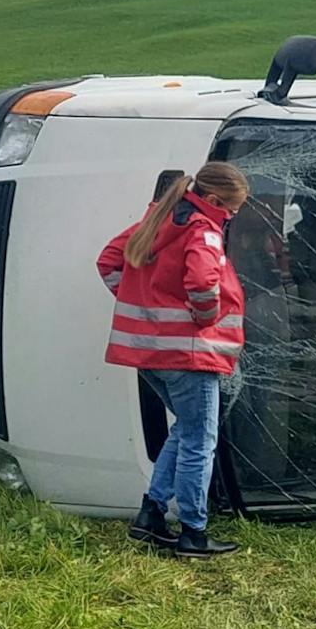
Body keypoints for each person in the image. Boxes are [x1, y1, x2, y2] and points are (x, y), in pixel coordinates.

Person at [96, 162, 250, 557]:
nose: (231, 217)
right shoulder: (203, 230)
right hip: (188, 354)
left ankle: (151, 514)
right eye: (231, 209)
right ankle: (193, 532)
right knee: (201, 439)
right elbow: (202, 283)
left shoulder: (159, 219)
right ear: (213, 200)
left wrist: (140, 306)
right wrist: (204, 318)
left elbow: (109, 260)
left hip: (151, 354)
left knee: (187, 428)